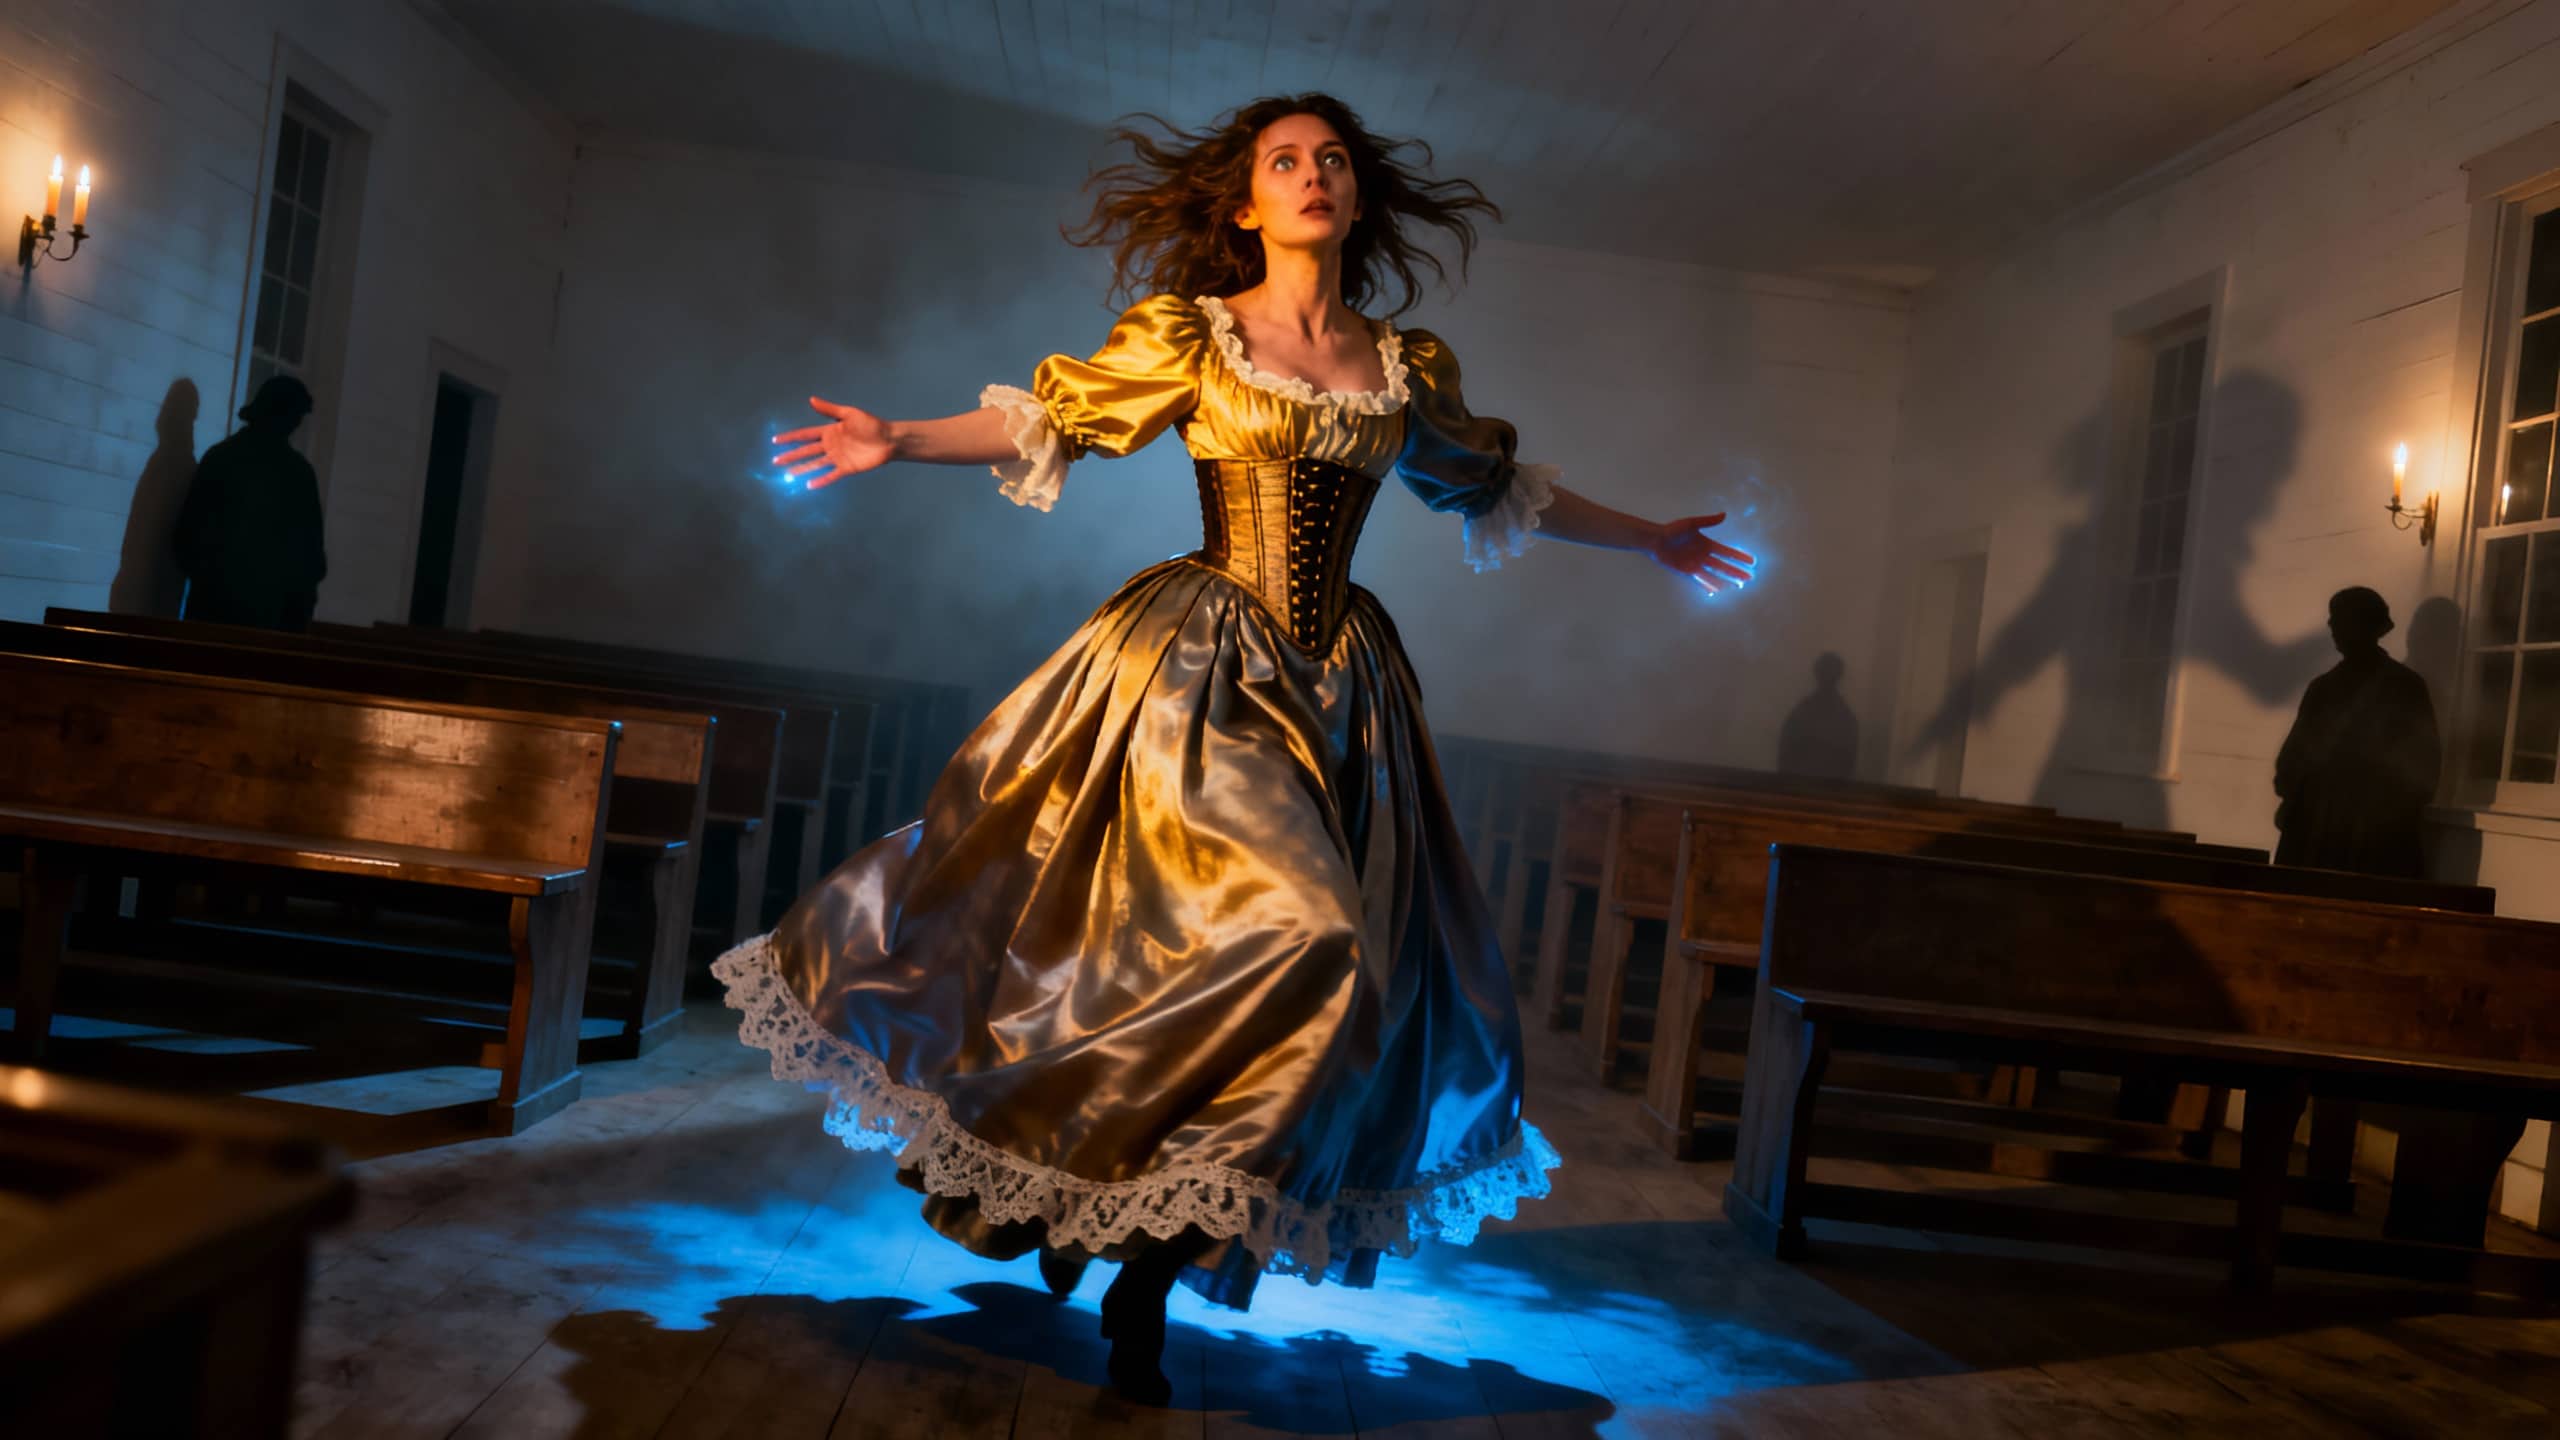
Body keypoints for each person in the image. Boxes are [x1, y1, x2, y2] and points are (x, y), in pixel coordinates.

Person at [714, 94, 1756, 1405]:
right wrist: (899, 437)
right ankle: (1091, 1200)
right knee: (1292, 935)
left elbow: (1496, 486)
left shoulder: (1405, 363)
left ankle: (1148, 1261)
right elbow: (1060, 419)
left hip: (1345, 694)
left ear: (1355, 199)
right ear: (1246, 203)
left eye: (1332, 162)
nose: (1312, 176)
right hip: (1201, 671)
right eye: (1285, 161)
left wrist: (1652, 537)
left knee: (1309, 978)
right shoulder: (1196, 337)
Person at [2272, 586, 2439, 878]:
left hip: (2370, 841)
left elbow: (2422, 768)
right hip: (2324, 833)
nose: (2331, 626)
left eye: (2339, 618)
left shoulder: (2403, 689)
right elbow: (2292, 761)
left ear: (2363, 625)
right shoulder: (2326, 688)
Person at [174, 376, 327, 630]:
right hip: (271, 618)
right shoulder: (298, 474)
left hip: (212, 610)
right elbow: (310, 558)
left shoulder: (220, 458)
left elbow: (187, 539)